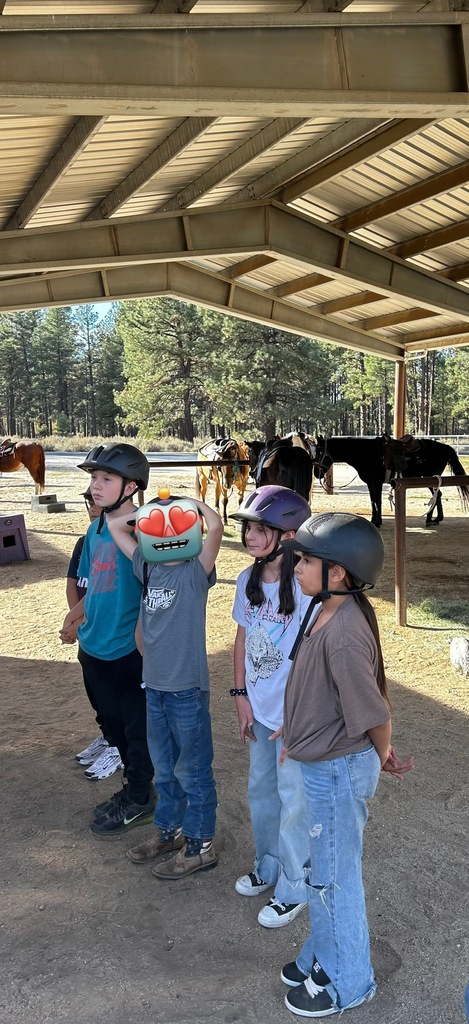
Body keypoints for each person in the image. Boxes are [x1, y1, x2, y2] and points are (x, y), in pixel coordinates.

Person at [278, 512, 413, 1018]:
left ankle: (350, 981)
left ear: (337, 573)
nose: (297, 567)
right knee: (325, 870)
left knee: (334, 877)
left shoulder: (346, 630)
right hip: (324, 763)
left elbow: (371, 712)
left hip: (339, 770)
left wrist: (383, 757)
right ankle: (322, 955)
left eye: (306, 560)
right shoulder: (325, 610)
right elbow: (319, 692)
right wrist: (296, 733)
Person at [107, 488, 224, 879]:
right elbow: (113, 524)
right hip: (153, 687)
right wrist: (150, 510)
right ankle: (170, 832)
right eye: (157, 529)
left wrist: (187, 504)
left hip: (185, 690)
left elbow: (217, 525)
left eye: (177, 526)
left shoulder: (195, 572)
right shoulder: (149, 567)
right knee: (165, 769)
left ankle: (200, 845)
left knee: (192, 769)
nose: (165, 534)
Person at [230, 485, 319, 929]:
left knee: (295, 802)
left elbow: (312, 655)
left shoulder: (305, 588)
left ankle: (294, 885)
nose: (249, 535)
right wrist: (241, 696)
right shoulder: (247, 580)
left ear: (287, 536)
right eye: (248, 527)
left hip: (294, 719)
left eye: (261, 528)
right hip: (260, 712)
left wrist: (297, 718)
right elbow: (243, 639)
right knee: (260, 792)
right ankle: (267, 864)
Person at [60, 442, 155, 837]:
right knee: (111, 726)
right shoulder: (95, 528)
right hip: (92, 647)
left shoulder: (143, 530)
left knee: (136, 731)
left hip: (126, 652)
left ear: (131, 487)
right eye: (94, 478)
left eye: (106, 479)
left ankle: (139, 799)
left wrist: (142, 644)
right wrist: (73, 619)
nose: (96, 486)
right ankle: (132, 786)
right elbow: (92, 586)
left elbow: (159, 592)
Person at [68, 488, 124, 780]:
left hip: (114, 636)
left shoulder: (127, 538)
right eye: (88, 501)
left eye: (96, 501)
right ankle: (108, 737)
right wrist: (75, 619)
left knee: (117, 698)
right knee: (97, 693)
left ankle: (118, 747)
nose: (92, 506)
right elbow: (76, 583)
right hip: (89, 632)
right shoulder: (86, 540)